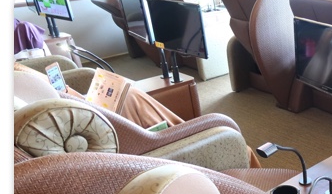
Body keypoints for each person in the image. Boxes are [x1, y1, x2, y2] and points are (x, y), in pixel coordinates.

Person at [14, 61, 262, 168]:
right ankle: (193, 132)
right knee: (132, 96)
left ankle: (189, 129)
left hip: (83, 118)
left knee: (130, 94)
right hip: (116, 140)